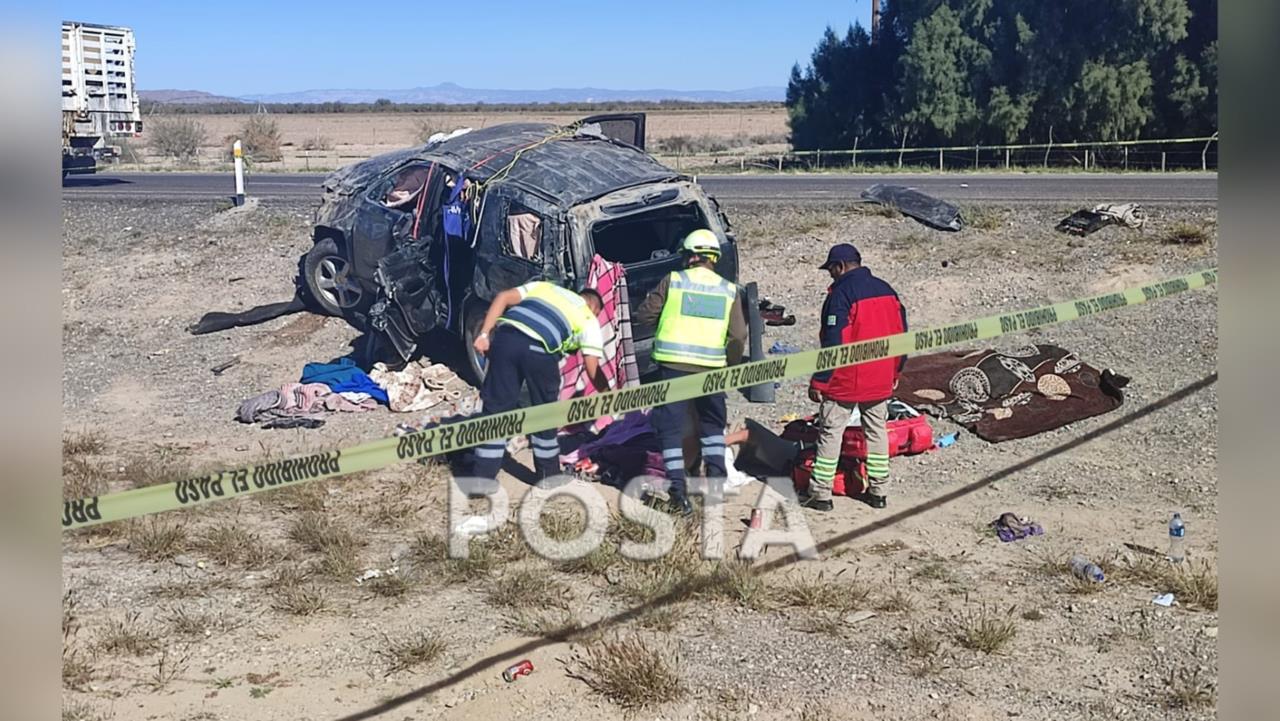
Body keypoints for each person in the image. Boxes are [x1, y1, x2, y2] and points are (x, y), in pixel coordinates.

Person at [635, 229, 748, 515]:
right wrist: (731, 364)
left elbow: (644, 315)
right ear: (713, 258)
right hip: (711, 370)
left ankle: (678, 492)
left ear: (692, 256)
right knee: (712, 426)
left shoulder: (673, 281)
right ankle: (715, 484)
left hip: (673, 368)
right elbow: (738, 335)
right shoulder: (728, 289)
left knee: (670, 430)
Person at [801, 243, 907, 511]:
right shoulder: (887, 290)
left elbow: (835, 342)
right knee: (877, 433)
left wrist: (820, 380)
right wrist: (896, 369)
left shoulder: (841, 294)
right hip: (881, 376)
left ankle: (821, 494)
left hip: (845, 380)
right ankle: (879, 491)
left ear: (841, 266)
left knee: (830, 433)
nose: (831, 276)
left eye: (831, 270)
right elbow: (902, 336)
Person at [471, 282, 610, 480]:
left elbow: (503, 296)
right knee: (544, 415)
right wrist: (608, 393)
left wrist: (484, 334)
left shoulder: (545, 288)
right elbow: (592, 368)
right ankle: (548, 476)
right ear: (594, 308)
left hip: (505, 339)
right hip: (540, 350)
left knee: (496, 409)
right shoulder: (588, 317)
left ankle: (482, 478)